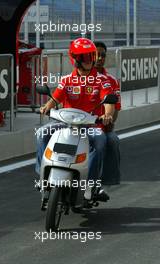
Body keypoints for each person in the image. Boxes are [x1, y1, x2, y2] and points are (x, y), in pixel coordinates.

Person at [36, 38, 116, 202]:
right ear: (76, 59)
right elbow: (55, 98)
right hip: (65, 124)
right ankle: (42, 176)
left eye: (91, 56)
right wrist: (46, 107)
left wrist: (107, 115)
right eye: (86, 57)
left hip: (90, 125)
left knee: (100, 141)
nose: (91, 61)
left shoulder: (102, 80)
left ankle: (91, 184)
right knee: (41, 133)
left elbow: (109, 102)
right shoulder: (66, 80)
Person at [94, 41, 121, 185]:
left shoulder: (111, 81)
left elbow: (115, 107)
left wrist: (109, 119)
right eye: (96, 55)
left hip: (101, 127)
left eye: (102, 55)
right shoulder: (75, 77)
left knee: (112, 140)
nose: (100, 58)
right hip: (76, 126)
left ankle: (107, 180)